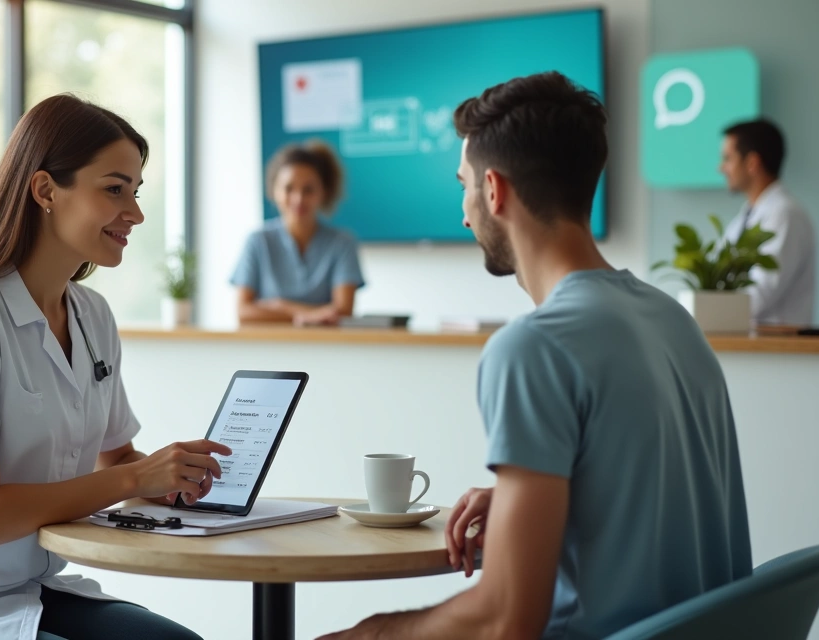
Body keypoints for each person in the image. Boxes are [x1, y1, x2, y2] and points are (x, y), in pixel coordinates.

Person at [320, 72, 752, 640]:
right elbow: (652, 495)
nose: (464, 213)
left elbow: (507, 619)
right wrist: (535, 502)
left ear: (494, 191)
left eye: (464, 186)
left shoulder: (534, 347)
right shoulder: (671, 319)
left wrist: (370, 633)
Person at [0, 94, 229, 640]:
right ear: (46, 190)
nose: (137, 214)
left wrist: (174, 481)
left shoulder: (91, 315)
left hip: (27, 591)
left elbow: (116, 457)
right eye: (114, 189)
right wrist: (134, 477)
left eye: (136, 193)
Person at [231, 141, 365, 326]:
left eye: (308, 190)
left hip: (325, 349)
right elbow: (243, 311)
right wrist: (300, 312)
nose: (298, 198)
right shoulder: (257, 241)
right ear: (274, 191)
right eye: (289, 188)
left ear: (323, 192)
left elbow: (342, 311)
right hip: (267, 349)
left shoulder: (342, 243)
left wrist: (274, 307)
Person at [718, 118, 816, 326]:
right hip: (748, 346)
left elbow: (760, 294)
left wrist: (710, 309)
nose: (721, 168)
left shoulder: (785, 215)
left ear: (752, 163)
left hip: (778, 351)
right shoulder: (744, 219)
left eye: (728, 159)